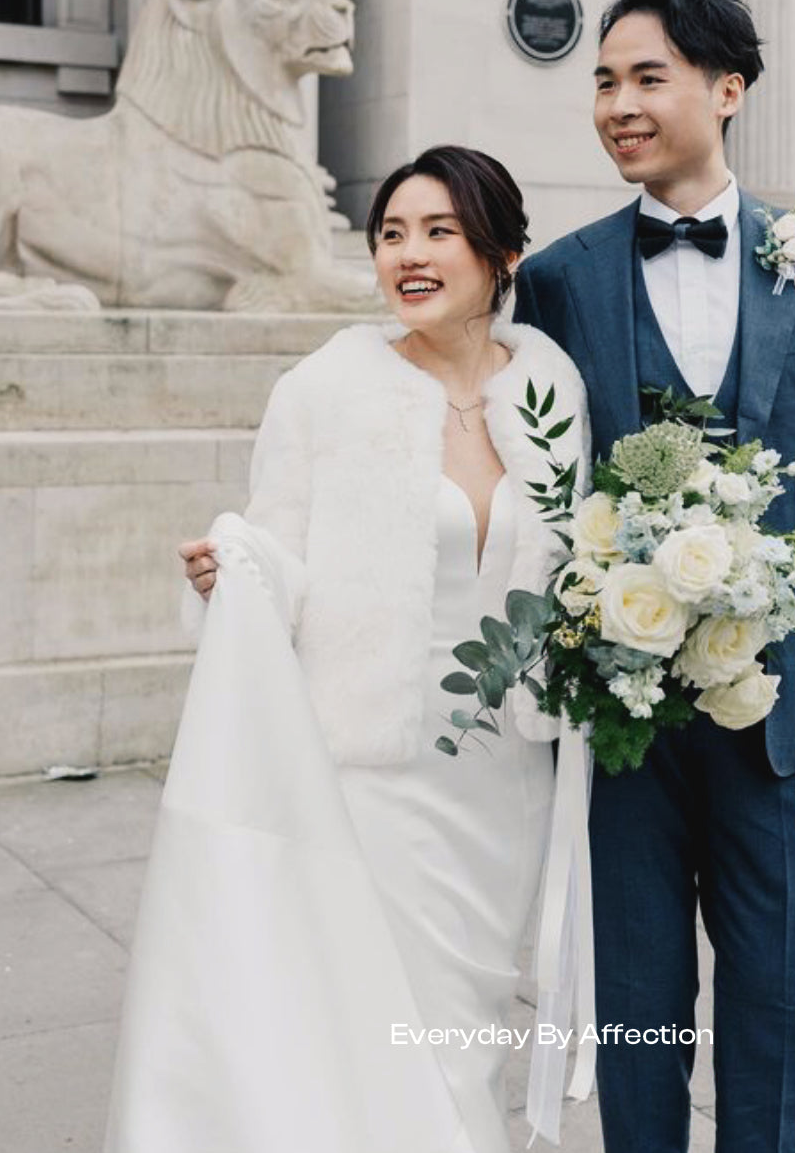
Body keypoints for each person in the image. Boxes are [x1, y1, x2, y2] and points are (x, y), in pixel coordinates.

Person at [513, 0, 795, 1153]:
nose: (619, 104)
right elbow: (518, 481)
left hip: (781, 723)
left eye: (648, 78)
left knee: (779, 1007)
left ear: (727, 90)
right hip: (618, 723)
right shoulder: (561, 277)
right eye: (605, 82)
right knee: (633, 1017)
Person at [166, 144, 591, 1151]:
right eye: (391, 234)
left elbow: (576, 556)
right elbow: (283, 548)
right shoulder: (324, 388)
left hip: (511, 769)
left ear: (502, 253)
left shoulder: (552, 385)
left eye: (439, 231)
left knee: (477, 1022)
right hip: (381, 770)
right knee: (406, 1021)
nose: (410, 254)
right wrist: (236, 572)